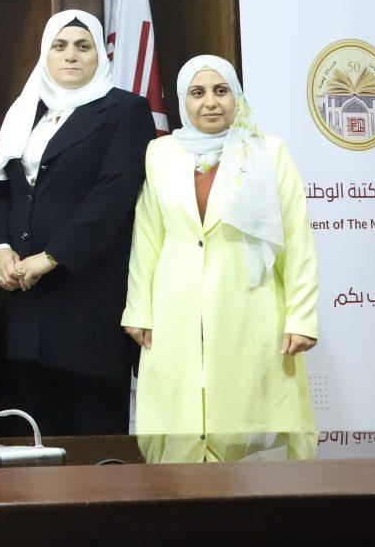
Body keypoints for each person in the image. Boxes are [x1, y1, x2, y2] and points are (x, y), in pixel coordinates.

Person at [123, 55, 319, 457]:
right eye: (197, 93)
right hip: (175, 309)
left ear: (237, 97)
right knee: (178, 418)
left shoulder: (269, 152)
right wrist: (138, 310)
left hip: (249, 304)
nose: (210, 102)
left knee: (247, 416)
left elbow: (297, 239)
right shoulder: (160, 154)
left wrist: (301, 317)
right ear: (183, 100)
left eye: (221, 91)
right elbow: (147, 237)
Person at [0, 10, 153, 435]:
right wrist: (0, 250)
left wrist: (51, 257)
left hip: (89, 300)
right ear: (46, 53)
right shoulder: (26, 110)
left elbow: (112, 198)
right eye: (59, 46)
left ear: (99, 55)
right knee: (36, 437)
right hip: (27, 301)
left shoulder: (126, 110)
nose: (70, 56)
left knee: (94, 440)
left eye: (83, 46)